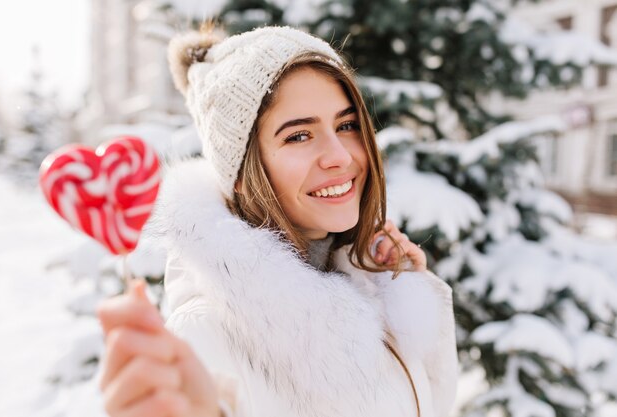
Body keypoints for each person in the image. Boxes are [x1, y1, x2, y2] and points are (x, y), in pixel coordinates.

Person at [97, 25, 458, 417]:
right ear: (238, 171)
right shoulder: (206, 335)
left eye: (347, 125)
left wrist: (411, 292)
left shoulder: (367, 281)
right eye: (299, 136)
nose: (339, 155)